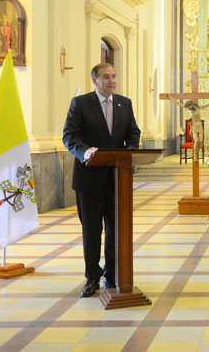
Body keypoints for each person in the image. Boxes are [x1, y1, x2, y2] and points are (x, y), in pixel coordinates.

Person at [62, 63, 141, 298]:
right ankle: (91, 277)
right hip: (89, 179)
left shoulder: (124, 103)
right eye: (106, 77)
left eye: (114, 76)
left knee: (116, 229)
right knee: (92, 230)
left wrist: (131, 153)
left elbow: (133, 134)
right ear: (95, 80)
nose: (111, 81)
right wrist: (84, 152)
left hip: (118, 178)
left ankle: (113, 275)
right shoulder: (81, 103)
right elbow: (69, 136)